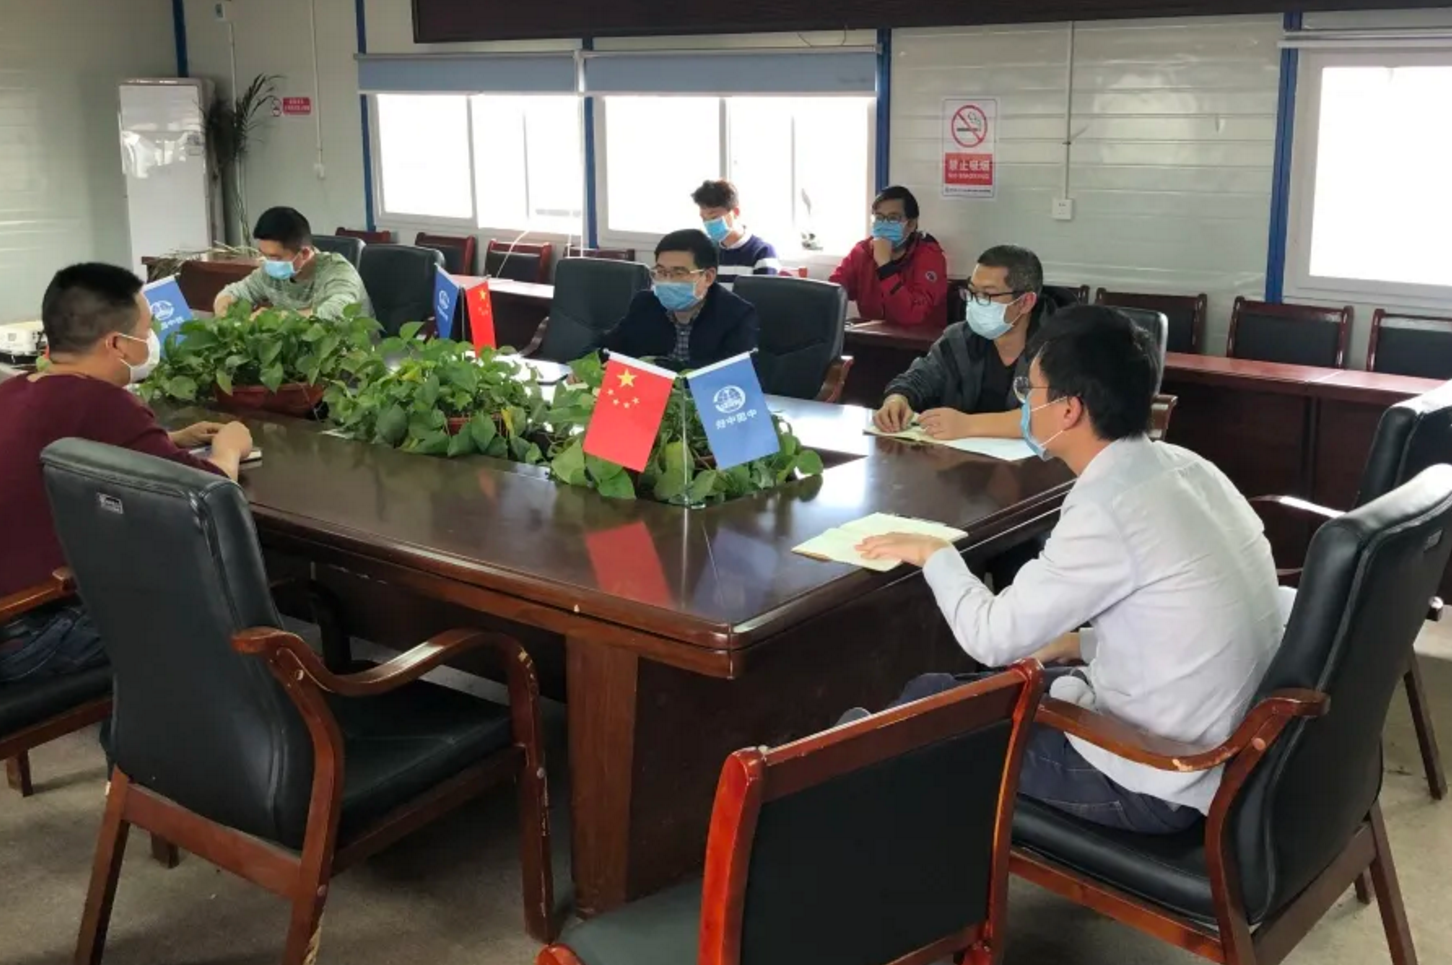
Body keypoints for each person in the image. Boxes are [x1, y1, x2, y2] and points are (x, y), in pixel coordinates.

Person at [852, 307, 1283, 834]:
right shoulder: (1189, 467)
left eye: (1029, 392)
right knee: (945, 693)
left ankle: (845, 829)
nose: (1023, 405)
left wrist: (935, 552)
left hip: (1156, 775)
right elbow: (1185, 622)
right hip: (1220, 739)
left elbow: (991, 638)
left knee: (919, 721)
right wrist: (1080, 643)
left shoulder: (1109, 505)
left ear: (1069, 410)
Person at [0, 263, 254, 683]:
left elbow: (66, 448)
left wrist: (168, 438)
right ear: (117, 344)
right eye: (146, 332)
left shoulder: (13, 392)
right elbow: (207, 493)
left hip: (13, 621)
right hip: (34, 633)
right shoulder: (104, 403)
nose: (151, 343)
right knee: (214, 614)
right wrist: (230, 447)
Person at [874, 245, 1056, 441]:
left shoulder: (1060, 347)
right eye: (972, 292)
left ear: (1025, 302)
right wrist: (897, 398)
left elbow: (1053, 415)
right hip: (962, 455)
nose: (975, 303)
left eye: (987, 295)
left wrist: (968, 425)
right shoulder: (959, 338)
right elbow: (918, 378)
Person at [600, 229, 759, 371]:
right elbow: (606, 346)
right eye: (661, 272)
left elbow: (731, 374)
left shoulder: (737, 315)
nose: (667, 281)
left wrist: (656, 369)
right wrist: (594, 362)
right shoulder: (645, 304)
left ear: (708, 277)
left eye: (678, 273)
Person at [214, 207, 372, 320]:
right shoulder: (269, 273)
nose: (268, 262)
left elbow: (338, 312)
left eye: (275, 257)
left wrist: (278, 318)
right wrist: (226, 312)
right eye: (264, 254)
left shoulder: (338, 271)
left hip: (352, 353)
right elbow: (232, 293)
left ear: (304, 254)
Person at [829, 186, 948, 328]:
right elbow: (833, 291)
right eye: (879, 217)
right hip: (873, 336)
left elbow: (912, 315)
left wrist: (885, 266)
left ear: (911, 224)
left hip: (919, 339)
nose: (884, 224)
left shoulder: (929, 256)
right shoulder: (863, 251)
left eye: (893, 218)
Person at [691, 179, 781, 287]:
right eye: (704, 219)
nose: (708, 224)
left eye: (714, 217)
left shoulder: (762, 253)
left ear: (735, 212)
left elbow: (764, 296)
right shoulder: (707, 253)